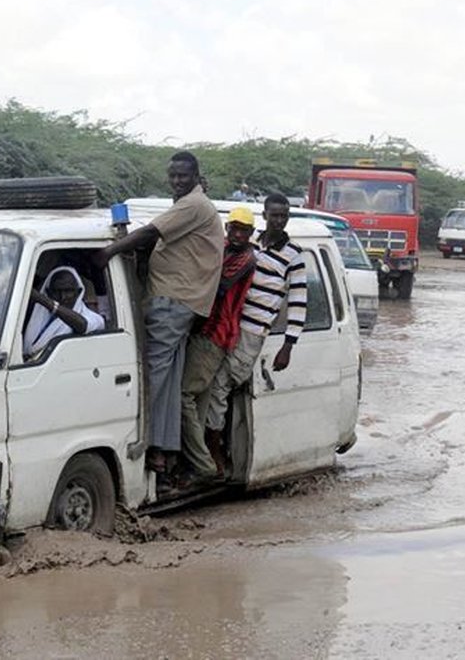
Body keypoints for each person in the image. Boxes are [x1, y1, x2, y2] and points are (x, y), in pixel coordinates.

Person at [92, 151, 224, 474]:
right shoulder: (190, 205)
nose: (177, 180)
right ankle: (164, 451)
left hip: (173, 301)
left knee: (149, 374)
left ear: (195, 176)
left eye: (183, 175)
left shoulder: (194, 204)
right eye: (173, 175)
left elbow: (152, 233)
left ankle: (143, 442)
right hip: (180, 302)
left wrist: (109, 251)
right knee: (166, 376)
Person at [203, 194, 305, 448]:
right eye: (275, 215)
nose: (279, 220)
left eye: (284, 216)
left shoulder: (294, 256)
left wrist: (288, 346)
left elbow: (298, 302)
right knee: (208, 385)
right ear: (265, 215)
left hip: (252, 330)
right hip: (227, 323)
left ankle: (213, 450)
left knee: (219, 387)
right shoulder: (250, 243)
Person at [180, 206, 257, 483]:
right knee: (199, 397)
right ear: (227, 228)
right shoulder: (223, 248)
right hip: (202, 330)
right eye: (233, 228)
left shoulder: (246, 258)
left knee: (184, 395)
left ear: (251, 234)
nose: (237, 234)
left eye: (243, 230)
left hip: (215, 333)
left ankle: (202, 463)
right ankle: (194, 460)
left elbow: (218, 283)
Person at [23, 266, 105, 356]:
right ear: (48, 292)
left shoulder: (92, 317)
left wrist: (45, 301)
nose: (63, 297)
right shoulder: (37, 316)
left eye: (68, 291)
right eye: (57, 291)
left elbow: (83, 325)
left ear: (78, 292)